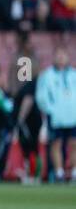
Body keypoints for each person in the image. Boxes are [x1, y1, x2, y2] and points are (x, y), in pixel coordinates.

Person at [36, 49, 76, 182]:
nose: (60, 59)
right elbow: (41, 96)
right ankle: (59, 172)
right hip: (56, 117)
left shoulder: (73, 75)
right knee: (56, 144)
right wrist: (50, 109)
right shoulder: (47, 75)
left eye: (63, 56)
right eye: (58, 56)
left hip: (73, 115)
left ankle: (74, 171)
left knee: (74, 143)